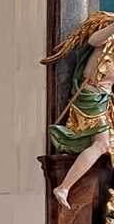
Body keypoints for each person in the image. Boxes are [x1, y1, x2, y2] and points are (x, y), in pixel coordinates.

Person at [41, 11, 114, 208]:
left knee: (106, 146)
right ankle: (63, 187)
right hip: (91, 97)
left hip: (104, 100)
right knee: (101, 144)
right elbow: (93, 40)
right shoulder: (109, 37)